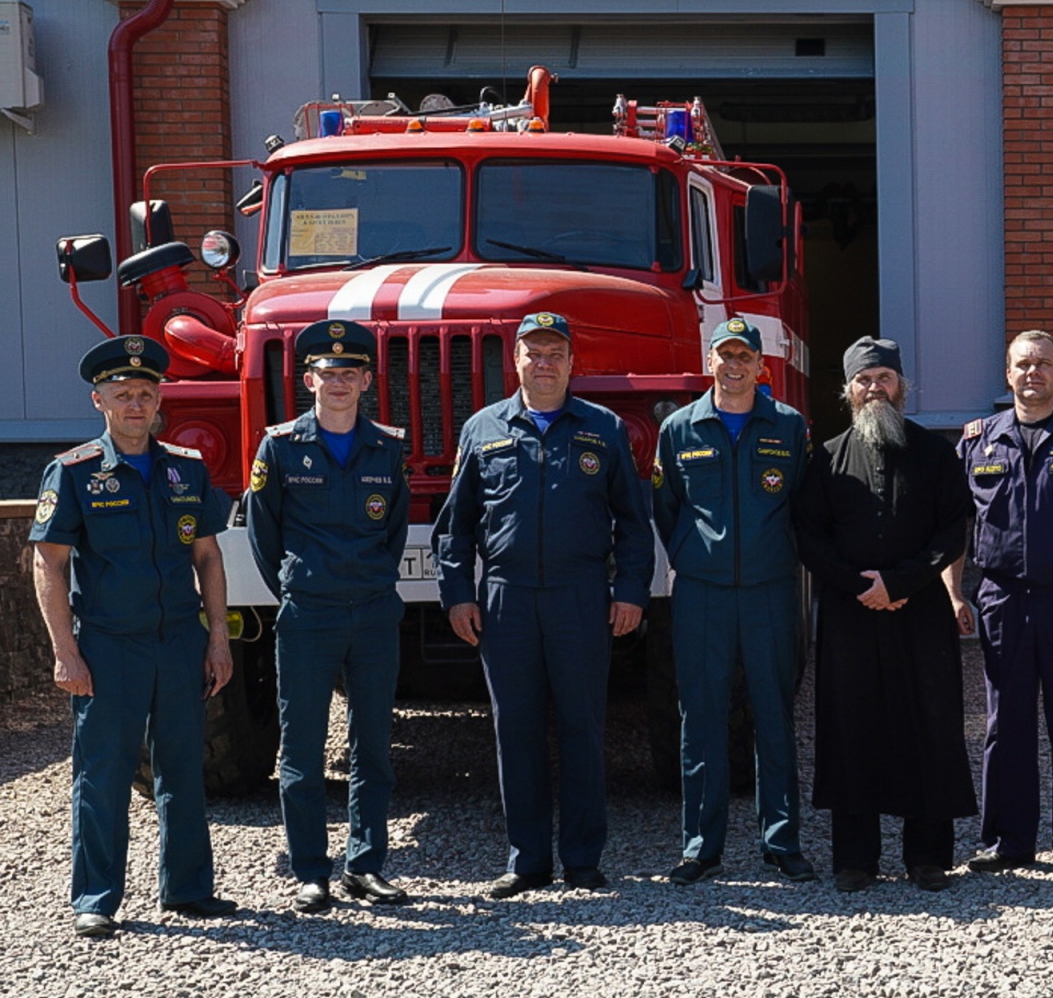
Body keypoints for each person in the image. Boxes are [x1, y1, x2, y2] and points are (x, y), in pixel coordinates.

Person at [434, 312, 653, 898]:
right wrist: (458, 595)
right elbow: (454, 529)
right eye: (534, 352)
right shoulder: (484, 429)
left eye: (556, 352)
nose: (545, 363)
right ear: (517, 361)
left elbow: (633, 523)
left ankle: (583, 858)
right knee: (517, 730)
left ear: (572, 362)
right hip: (505, 598)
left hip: (581, 596)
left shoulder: (601, 429)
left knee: (583, 726)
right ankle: (527, 860)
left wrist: (630, 590)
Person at [29, 335, 238, 938]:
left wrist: (218, 640)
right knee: (103, 772)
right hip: (108, 645)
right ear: (99, 401)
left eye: (145, 394)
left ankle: (190, 890)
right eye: (122, 395)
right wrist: (65, 652)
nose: (135, 405)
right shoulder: (73, 472)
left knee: (182, 769)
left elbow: (208, 558)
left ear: (159, 399)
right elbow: (49, 563)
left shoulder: (185, 470)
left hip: (178, 641)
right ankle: (96, 898)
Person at [795, 336, 975, 893]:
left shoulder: (934, 453)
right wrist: (861, 587)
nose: (875, 388)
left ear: (902, 386)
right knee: (853, 728)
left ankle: (927, 857)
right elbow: (808, 535)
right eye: (864, 380)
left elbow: (953, 528)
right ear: (849, 390)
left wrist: (899, 582)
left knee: (928, 724)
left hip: (919, 610)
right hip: (851, 614)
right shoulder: (825, 457)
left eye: (884, 379)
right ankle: (855, 859)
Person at [245, 320, 412, 913]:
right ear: (308, 379)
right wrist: (299, 586)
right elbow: (264, 535)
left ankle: (365, 867)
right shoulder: (280, 446)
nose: (337, 383)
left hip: (371, 613)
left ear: (366, 380)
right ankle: (311, 871)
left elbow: (392, 532)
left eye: (350, 374)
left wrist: (366, 582)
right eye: (327, 373)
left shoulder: (387, 448)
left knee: (373, 746)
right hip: (309, 615)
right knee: (302, 747)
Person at [652, 317, 816, 885]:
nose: (734, 365)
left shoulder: (790, 427)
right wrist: (697, 559)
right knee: (700, 719)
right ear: (711, 363)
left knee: (774, 714)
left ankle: (782, 841)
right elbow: (666, 508)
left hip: (771, 591)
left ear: (760, 365)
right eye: (725, 355)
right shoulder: (679, 428)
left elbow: (802, 505)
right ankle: (701, 847)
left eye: (744, 355)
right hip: (703, 595)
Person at [945, 330, 1053, 875]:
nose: (1032, 373)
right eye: (1022, 365)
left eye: (1043, 364)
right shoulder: (977, 441)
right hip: (1002, 598)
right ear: (1007, 374)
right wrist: (953, 592)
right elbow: (956, 526)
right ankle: (1007, 841)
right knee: (1005, 724)